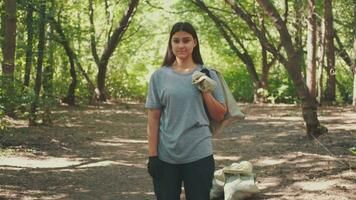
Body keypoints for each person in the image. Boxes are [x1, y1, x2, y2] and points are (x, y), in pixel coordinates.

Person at [145, 21, 227, 200]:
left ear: (194, 43)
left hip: (199, 152)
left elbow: (220, 115)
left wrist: (204, 90)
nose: (181, 45)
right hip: (166, 154)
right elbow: (153, 118)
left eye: (186, 40)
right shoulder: (159, 76)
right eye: (176, 41)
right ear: (170, 44)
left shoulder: (208, 73)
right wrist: (153, 156)